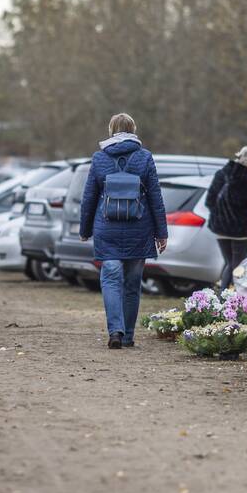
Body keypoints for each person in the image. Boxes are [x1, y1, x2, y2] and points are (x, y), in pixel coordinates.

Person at [79, 112, 168, 349]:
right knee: (132, 284)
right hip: (139, 228)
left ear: (111, 130)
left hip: (106, 228)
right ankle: (128, 336)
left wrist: (85, 229)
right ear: (133, 129)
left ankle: (115, 331)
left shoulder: (99, 158)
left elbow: (89, 197)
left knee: (110, 279)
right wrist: (162, 233)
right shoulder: (145, 157)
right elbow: (156, 198)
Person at [206, 146, 247, 290]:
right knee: (237, 265)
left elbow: (209, 201)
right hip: (240, 231)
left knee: (229, 263)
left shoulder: (221, 174)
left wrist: (220, 216)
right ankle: (230, 300)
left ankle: (223, 297)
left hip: (219, 229)